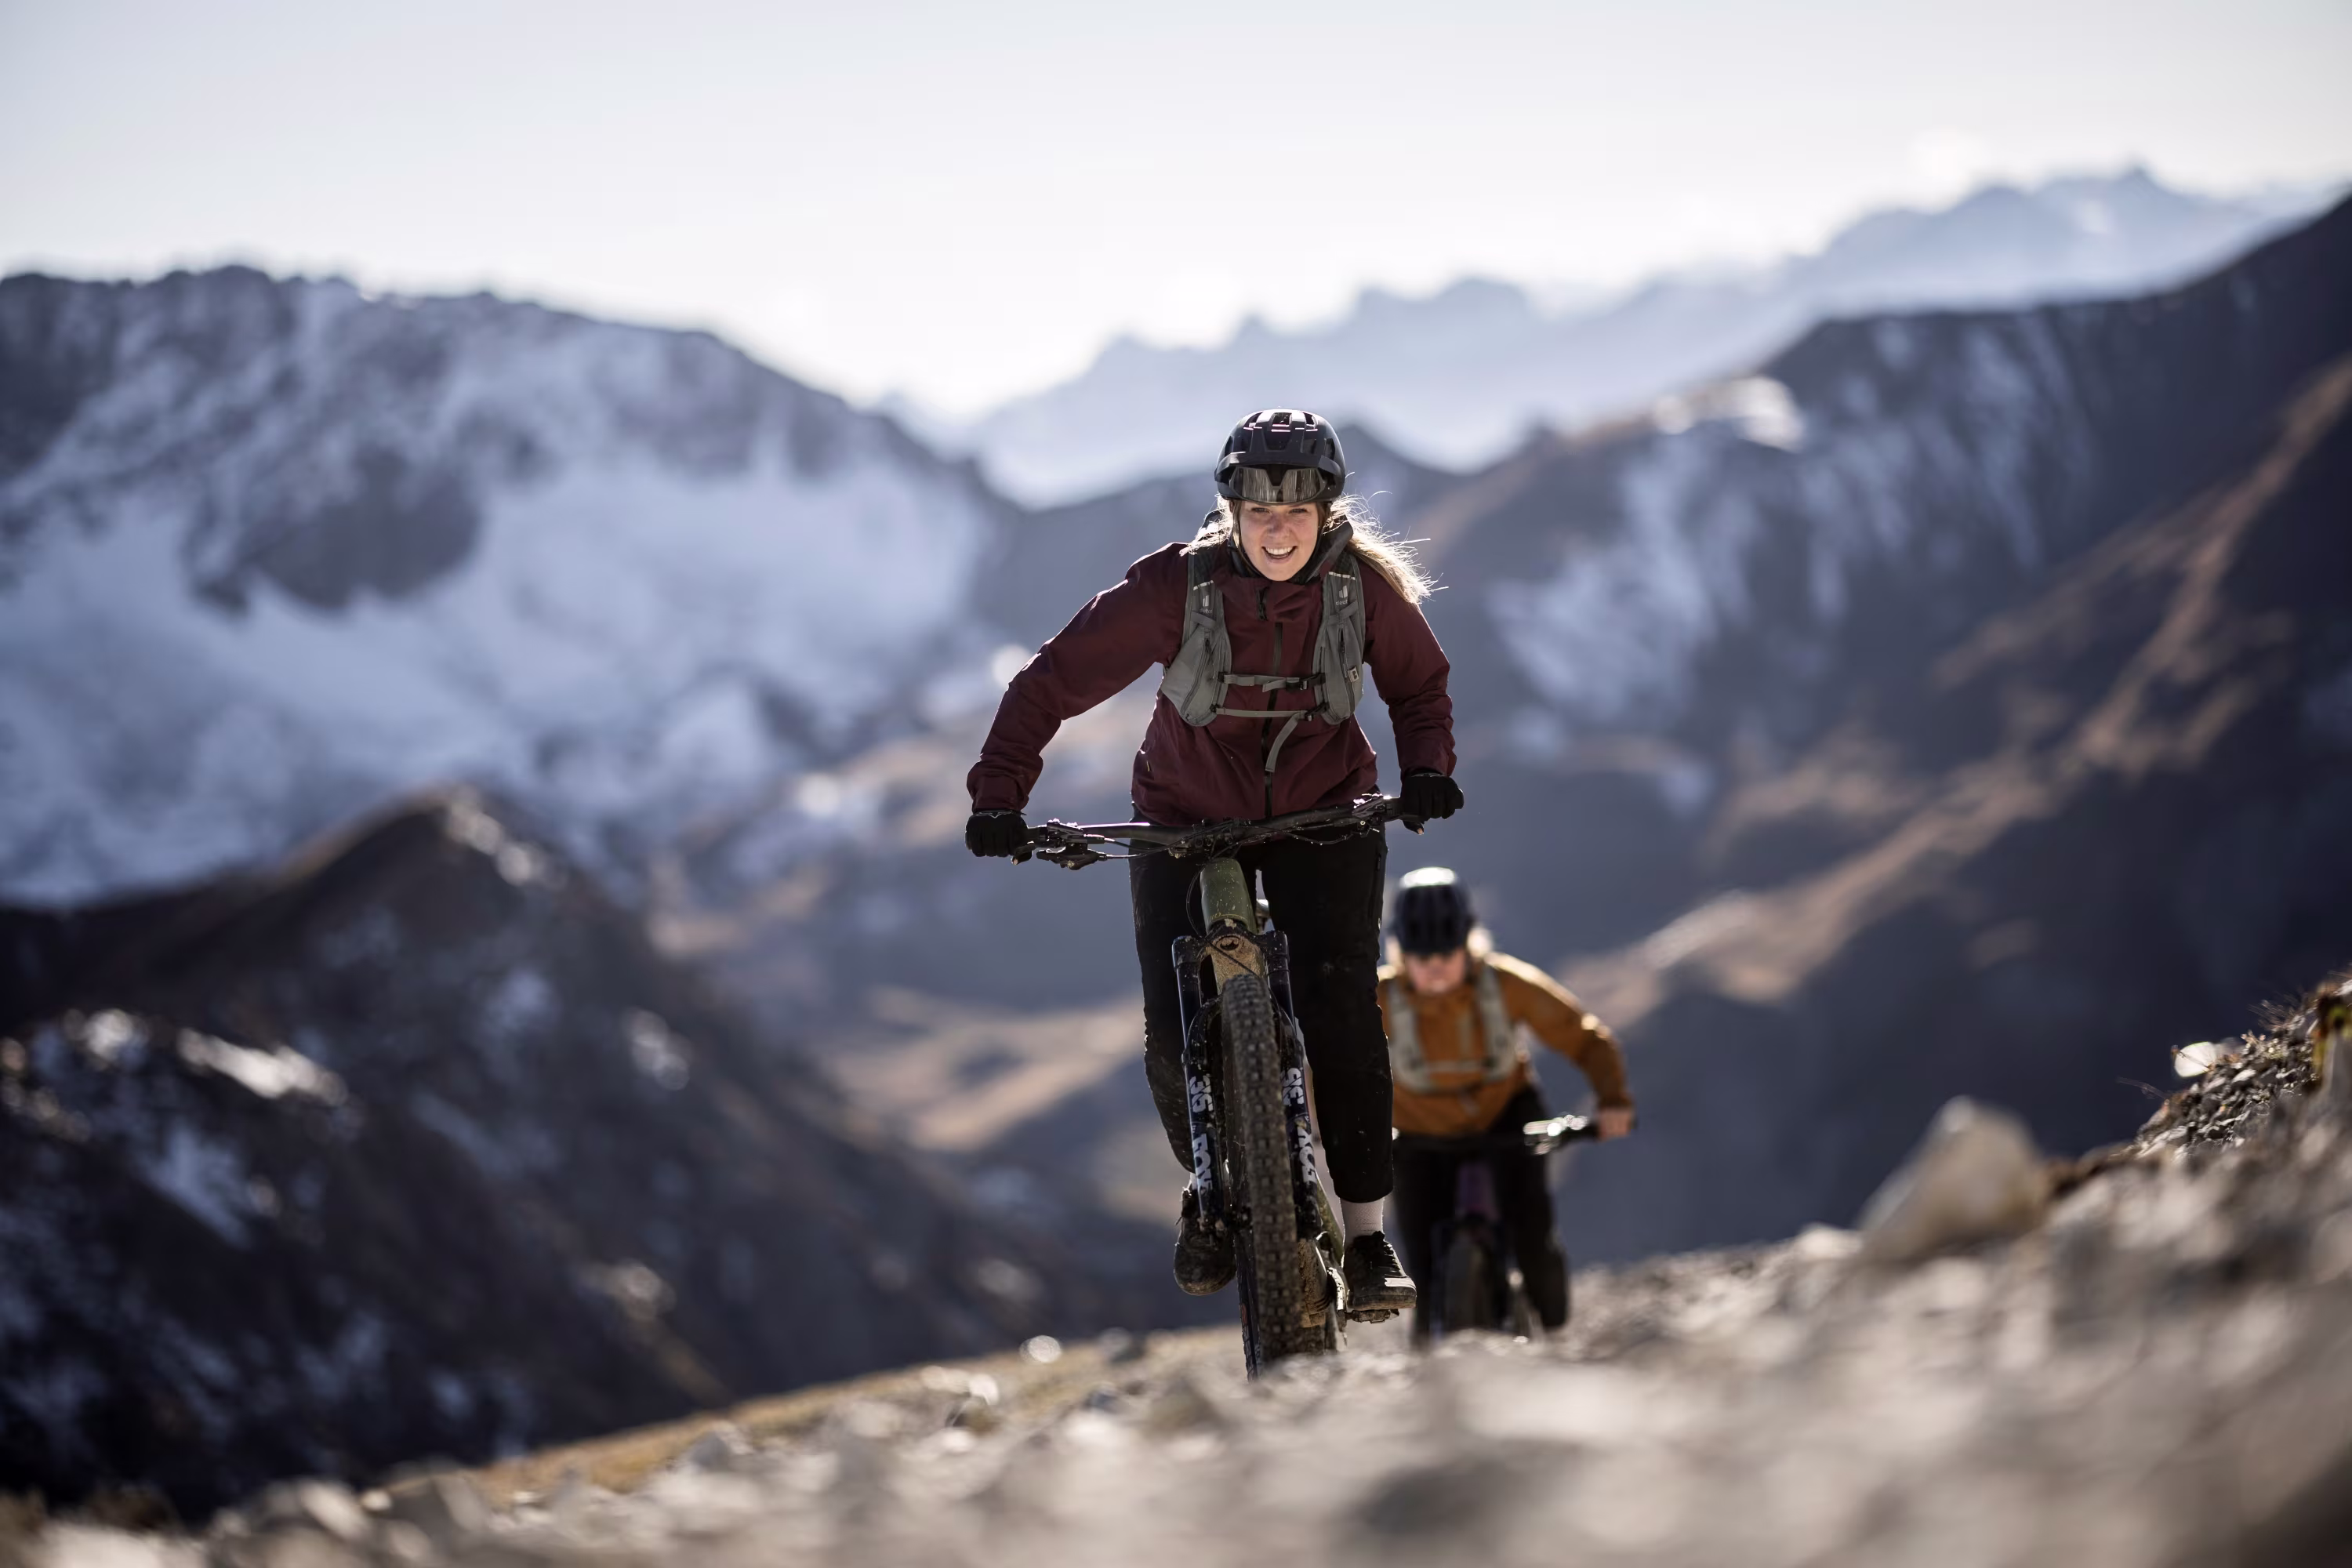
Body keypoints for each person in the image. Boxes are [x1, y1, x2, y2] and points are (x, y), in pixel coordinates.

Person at [964, 409, 1462, 1318]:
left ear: (1326, 513)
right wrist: (998, 795)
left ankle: (1366, 1235)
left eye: (1297, 510)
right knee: (1171, 1021)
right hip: (1184, 815)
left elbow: (1420, 688)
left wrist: (1428, 769)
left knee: (1340, 1004)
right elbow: (1052, 680)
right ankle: (1211, 1183)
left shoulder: (1361, 591)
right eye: (1260, 509)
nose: (1278, 529)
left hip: (1323, 812)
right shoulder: (1176, 586)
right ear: (1231, 510)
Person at [1379, 867, 1634, 1336]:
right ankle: (1431, 1359)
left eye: (1446, 953)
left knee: (1533, 1241)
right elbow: (1330, 1061)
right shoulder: (1378, 998)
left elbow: (1582, 1036)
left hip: (1506, 1121)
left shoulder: (1507, 984)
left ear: (1468, 944)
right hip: (1418, 1138)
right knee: (1423, 1270)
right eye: (1421, 956)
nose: (1435, 967)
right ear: (1401, 952)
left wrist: (1612, 1099)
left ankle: (1552, 1335)